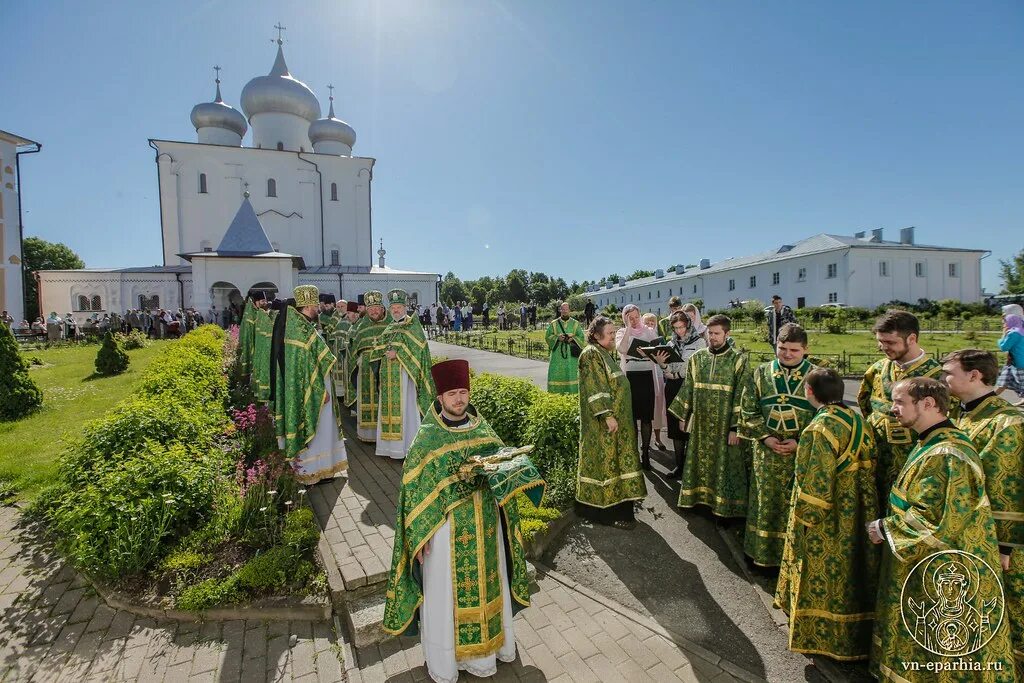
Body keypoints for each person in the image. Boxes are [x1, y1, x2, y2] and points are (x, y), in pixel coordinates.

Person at [382, 359, 541, 683]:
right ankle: (446, 661)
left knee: (489, 586)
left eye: (463, 392)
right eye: (452, 393)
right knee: (445, 596)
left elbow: (500, 463)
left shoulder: (482, 428)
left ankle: (490, 654)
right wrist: (418, 536)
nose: (459, 399)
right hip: (444, 533)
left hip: (485, 526)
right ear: (440, 398)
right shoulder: (427, 439)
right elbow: (413, 492)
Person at [868, 377, 1015, 681]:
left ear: (928, 404)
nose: (893, 409)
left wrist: (884, 528)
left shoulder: (947, 454)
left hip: (946, 566)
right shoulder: (931, 441)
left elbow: (934, 519)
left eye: (899, 402)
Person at [774, 367, 880, 662]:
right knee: (852, 571)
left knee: (825, 574)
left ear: (809, 392)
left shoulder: (819, 428)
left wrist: (805, 519)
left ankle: (824, 640)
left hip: (830, 515)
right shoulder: (857, 419)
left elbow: (816, 482)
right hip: (859, 506)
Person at [943, 350, 1024, 667]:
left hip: (996, 543)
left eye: (949, 373)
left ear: (974, 376)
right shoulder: (961, 414)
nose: (943, 379)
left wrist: (1004, 546)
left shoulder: (1006, 424)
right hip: (963, 535)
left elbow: (1009, 489)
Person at [739, 323, 817, 567]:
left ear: (805, 349)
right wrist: (765, 437)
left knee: (795, 505)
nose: (787, 354)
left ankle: (791, 560)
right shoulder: (760, 373)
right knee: (764, 502)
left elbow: (827, 415)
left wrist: (800, 441)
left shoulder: (817, 376)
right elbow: (748, 408)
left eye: (794, 350)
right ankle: (760, 557)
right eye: (782, 348)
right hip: (767, 453)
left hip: (801, 453)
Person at [857, 310, 944, 501]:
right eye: (880, 341)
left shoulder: (937, 377)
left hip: (915, 461)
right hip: (876, 459)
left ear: (911, 338)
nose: (883, 347)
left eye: (890, 342)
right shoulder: (878, 369)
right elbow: (864, 402)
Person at [669, 314, 749, 519]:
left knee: (723, 466)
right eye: (709, 333)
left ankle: (723, 510)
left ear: (727, 334)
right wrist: (682, 415)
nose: (712, 337)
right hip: (701, 425)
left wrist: (735, 427)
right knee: (699, 462)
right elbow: (688, 388)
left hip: (724, 427)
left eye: (716, 334)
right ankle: (698, 502)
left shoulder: (738, 360)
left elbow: (742, 395)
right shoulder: (698, 358)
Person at [268, 285, 347, 484]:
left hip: (312, 386)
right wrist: (321, 390)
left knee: (322, 428)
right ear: (309, 305)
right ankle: (312, 472)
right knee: (317, 428)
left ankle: (322, 469)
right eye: (315, 304)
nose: (318, 308)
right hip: (313, 389)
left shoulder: (299, 325)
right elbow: (307, 365)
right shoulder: (300, 329)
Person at [577, 316, 647, 529]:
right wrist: (607, 414)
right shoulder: (590, 354)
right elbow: (595, 387)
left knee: (617, 464)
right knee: (606, 465)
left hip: (617, 423)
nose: (612, 337)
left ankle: (621, 507)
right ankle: (608, 514)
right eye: (609, 333)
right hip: (605, 425)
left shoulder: (604, 353)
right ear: (596, 335)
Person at [376, 289, 435, 459]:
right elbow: (381, 346)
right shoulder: (390, 327)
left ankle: (406, 448)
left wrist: (398, 354)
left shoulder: (413, 326)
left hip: (405, 378)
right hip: (388, 377)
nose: (395, 310)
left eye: (399, 307)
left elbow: (419, 352)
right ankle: (389, 448)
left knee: (406, 411)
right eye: (393, 307)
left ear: (405, 307)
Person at [651, 310, 707, 478]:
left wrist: (675, 374)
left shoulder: (699, 343)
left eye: (682, 327)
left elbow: (697, 368)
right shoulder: (670, 344)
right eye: (675, 328)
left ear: (688, 324)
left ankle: (692, 469)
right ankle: (679, 466)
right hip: (673, 387)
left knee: (689, 426)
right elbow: (668, 368)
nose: (679, 331)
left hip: (689, 386)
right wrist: (662, 364)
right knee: (675, 428)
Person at [615, 305, 660, 470]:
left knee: (647, 418)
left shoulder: (648, 331)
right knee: (632, 418)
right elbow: (621, 349)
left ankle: (646, 453)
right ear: (625, 318)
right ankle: (634, 453)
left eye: (636, 317)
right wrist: (627, 328)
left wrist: (649, 352)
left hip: (647, 375)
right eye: (630, 318)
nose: (634, 320)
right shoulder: (621, 332)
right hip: (630, 378)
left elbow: (657, 350)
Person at [346, 290, 392, 442]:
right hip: (365, 369)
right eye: (370, 309)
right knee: (368, 398)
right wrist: (358, 361)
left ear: (382, 308)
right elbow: (355, 349)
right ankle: (368, 435)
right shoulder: (362, 325)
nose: (373, 311)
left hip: (386, 367)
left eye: (376, 308)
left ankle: (384, 434)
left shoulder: (391, 323)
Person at [544, 302, 585, 394]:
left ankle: (573, 394)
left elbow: (582, 337)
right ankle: (555, 395)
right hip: (557, 355)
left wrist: (573, 339)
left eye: (566, 309)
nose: (565, 311)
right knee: (556, 374)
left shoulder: (575, 323)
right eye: (563, 309)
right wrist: (557, 338)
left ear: (570, 310)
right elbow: (547, 337)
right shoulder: (554, 324)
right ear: (560, 310)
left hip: (572, 356)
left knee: (571, 374)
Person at [251, 297, 278, 404]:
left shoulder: (261, 317)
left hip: (262, 352)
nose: (264, 303)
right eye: (261, 301)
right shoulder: (266, 320)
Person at [996, 314, 1024, 404]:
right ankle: (988, 400)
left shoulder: (1014, 333)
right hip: (1012, 363)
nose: (1003, 325)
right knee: (1003, 381)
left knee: (1022, 385)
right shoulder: (1021, 331)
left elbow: (1004, 347)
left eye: (1005, 323)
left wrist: (1003, 334)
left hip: (1020, 364)